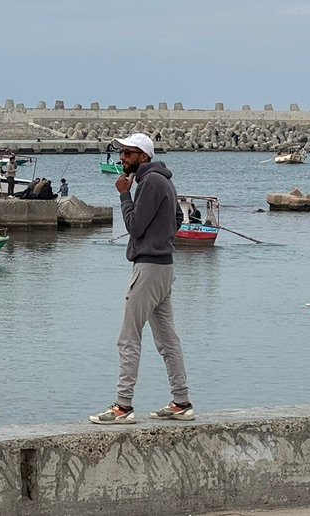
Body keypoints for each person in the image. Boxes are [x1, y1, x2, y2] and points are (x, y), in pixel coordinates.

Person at [91, 132, 194, 425]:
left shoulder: (148, 182)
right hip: (165, 267)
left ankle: (122, 407)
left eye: (128, 153)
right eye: (122, 153)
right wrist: (162, 240)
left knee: (128, 337)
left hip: (149, 268)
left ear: (143, 157)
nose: (122, 158)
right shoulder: (165, 181)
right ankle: (181, 401)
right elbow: (176, 218)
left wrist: (124, 195)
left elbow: (134, 227)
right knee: (167, 339)